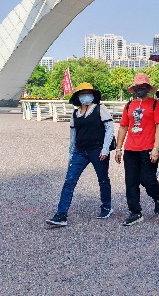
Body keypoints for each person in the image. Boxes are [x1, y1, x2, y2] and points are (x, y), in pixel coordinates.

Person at [46, 83, 114, 227]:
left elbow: (109, 128)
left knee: (102, 179)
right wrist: (70, 153)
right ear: (77, 97)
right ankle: (61, 214)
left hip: (98, 149)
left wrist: (105, 149)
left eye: (88, 93)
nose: (85, 96)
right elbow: (73, 135)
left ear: (93, 94)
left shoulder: (100, 109)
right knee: (69, 181)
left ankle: (106, 207)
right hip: (80, 151)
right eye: (82, 93)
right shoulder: (75, 114)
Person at [114, 73, 159, 226]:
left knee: (147, 179)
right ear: (134, 88)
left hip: (148, 148)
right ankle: (135, 212)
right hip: (131, 149)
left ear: (148, 88)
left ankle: (157, 195)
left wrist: (156, 148)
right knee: (131, 182)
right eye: (138, 87)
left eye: (143, 87)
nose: (140, 89)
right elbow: (123, 127)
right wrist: (118, 148)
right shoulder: (129, 105)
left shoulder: (155, 105)